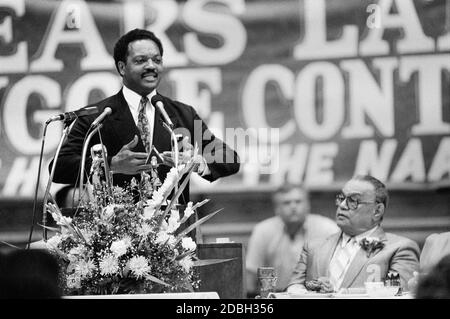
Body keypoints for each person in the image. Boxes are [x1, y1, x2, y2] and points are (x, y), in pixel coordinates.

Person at [49, 28, 240, 205]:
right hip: (117, 232)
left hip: (174, 232)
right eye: (141, 61)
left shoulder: (181, 114)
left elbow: (229, 158)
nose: (151, 66)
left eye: (157, 60)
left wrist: (193, 163)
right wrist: (111, 164)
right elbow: (58, 167)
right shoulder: (97, 116)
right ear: (122, 67)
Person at [286, 175, 420, 293]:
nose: (342, 205)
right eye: (341, 198)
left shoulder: (399, 249)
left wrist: (341, 293)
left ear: (377, 211)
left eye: (353, 200)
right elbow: (295, 287)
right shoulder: (313, 247)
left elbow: (398, 294)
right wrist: (313, 287)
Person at [245, 183, 339, 296]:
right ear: (277, 209)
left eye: (298, 201)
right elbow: (250, 274)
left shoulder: (327, 229)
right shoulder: (263, 231)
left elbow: (338, 271)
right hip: (275, 295)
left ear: (308, 205)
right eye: (286, 203)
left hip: (317, 295)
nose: (293, 207)